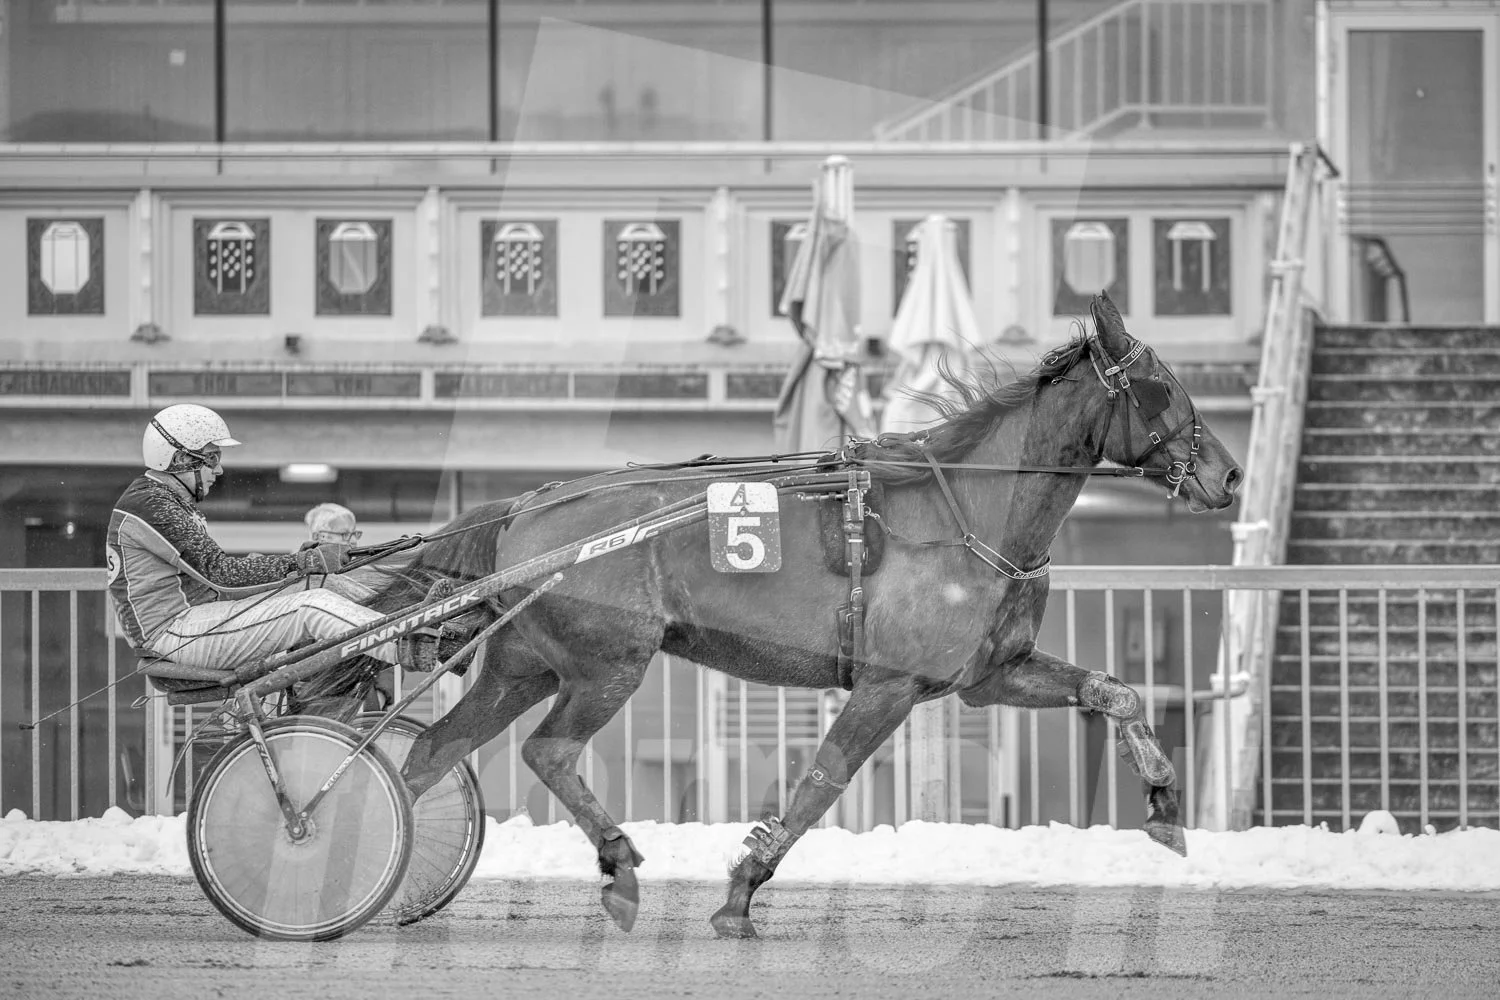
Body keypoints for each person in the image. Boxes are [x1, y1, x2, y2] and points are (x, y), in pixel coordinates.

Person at [106, 403, 423, 678]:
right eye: (212, 458)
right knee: (310, 606)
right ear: (179, 460)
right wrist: (301, 562)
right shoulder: (151, 505)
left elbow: (219, 577)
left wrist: (301, 570)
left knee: (315, 586)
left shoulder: (160, 500)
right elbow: (222, 575)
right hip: (176, 633)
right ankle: (409, 645)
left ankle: (415, 614)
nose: (219, 469)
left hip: (194, 623)